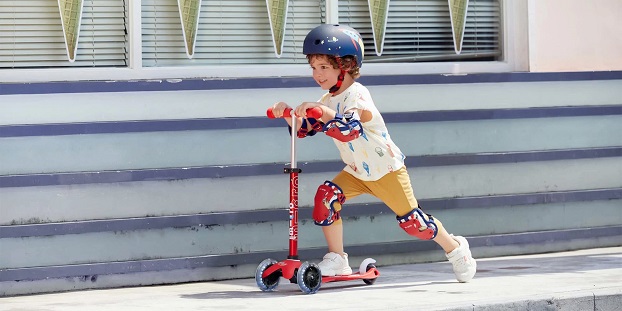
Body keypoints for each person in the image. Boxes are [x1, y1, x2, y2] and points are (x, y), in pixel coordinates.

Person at [269, 24, 476, 282]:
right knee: (326, 198)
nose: (317, 74)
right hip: (356, 171)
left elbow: (349, 128)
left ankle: (456, 249)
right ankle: (337, 259)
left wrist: (322, 112)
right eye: (313, 68)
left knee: (415, 223)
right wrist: (288, 113)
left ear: (344, 65)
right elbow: (305, 130)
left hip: (386, 170)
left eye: (324, 67)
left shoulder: (358, 94)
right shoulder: (327, 100)